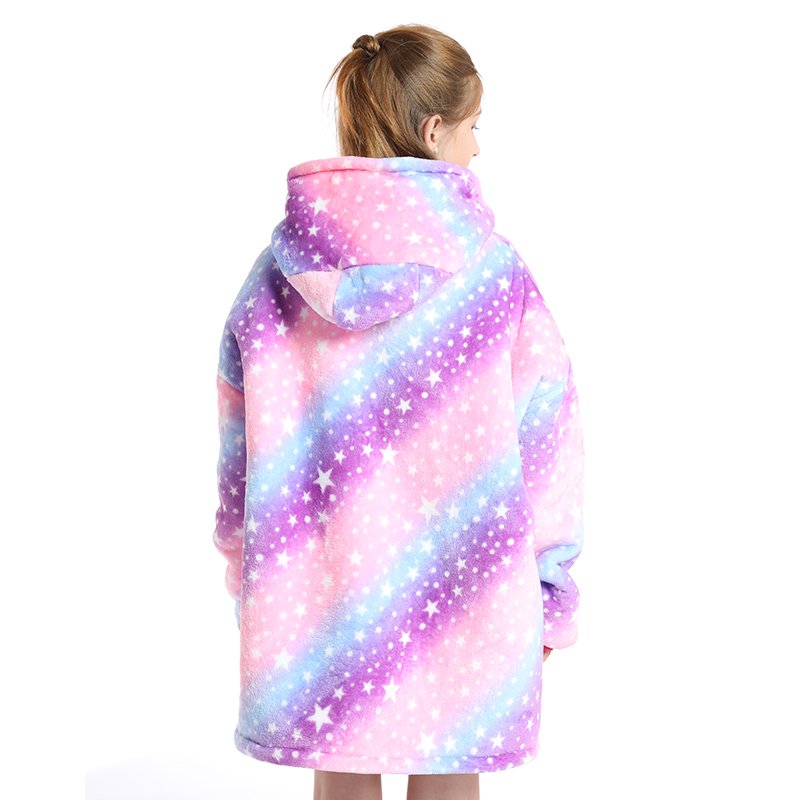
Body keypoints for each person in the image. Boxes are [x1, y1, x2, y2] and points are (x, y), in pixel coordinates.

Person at [213, 23, 585, 800]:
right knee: (450, 768)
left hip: (317, 602)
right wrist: (550, 589)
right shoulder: (493, 275)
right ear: (434, 129)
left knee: (341, 769)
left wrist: (248, 566)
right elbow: (548, 437)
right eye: (474, 126)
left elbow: (238, 445)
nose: (478, 148)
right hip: (468, 597)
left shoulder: (277, 278)